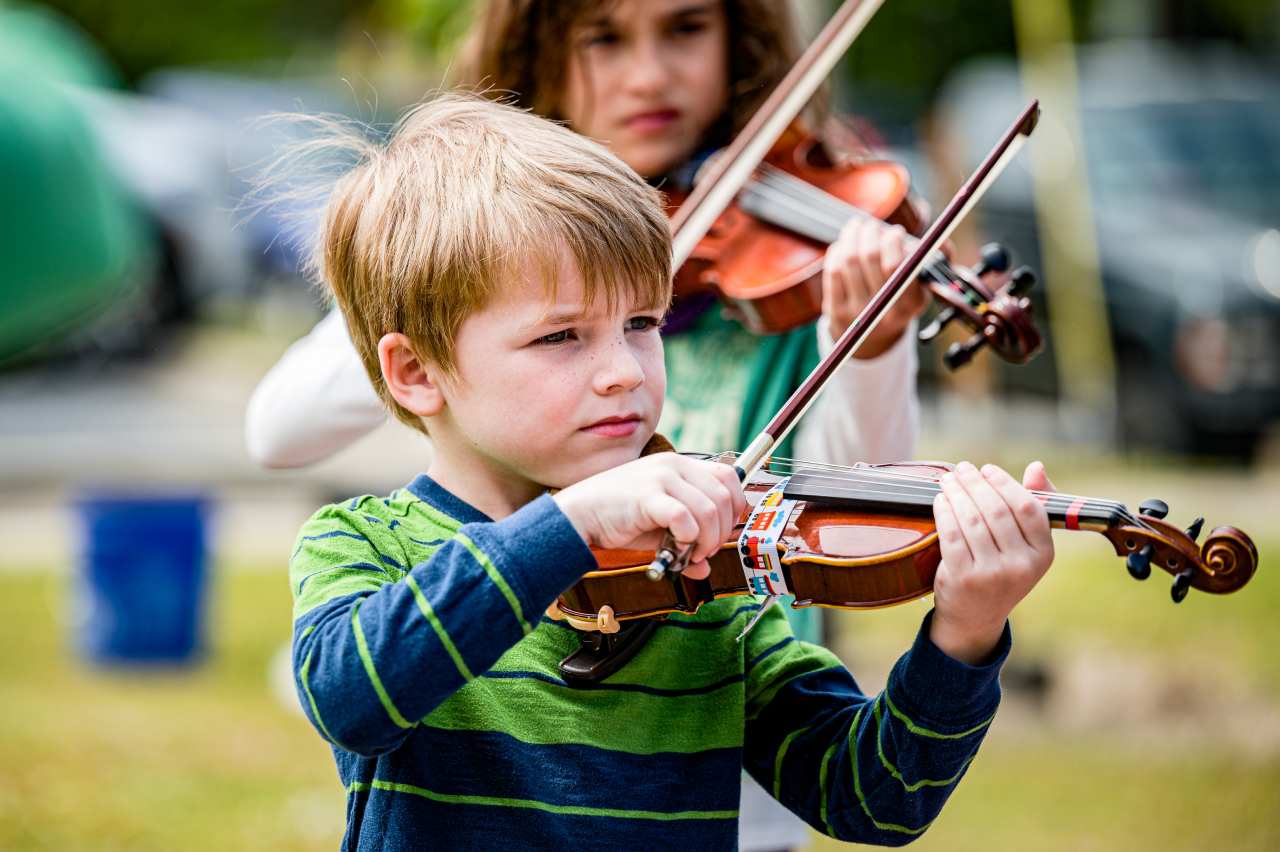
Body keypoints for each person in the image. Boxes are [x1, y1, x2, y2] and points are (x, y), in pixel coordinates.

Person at [288, 93, 1056, 851]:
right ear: (418, 371)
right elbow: (352, 697)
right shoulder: (365, 545)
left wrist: (965, 634)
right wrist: (573, 525)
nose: (624, 371)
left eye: (642, 323)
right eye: (561, 336)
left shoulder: (697, 587)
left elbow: (875, 799)